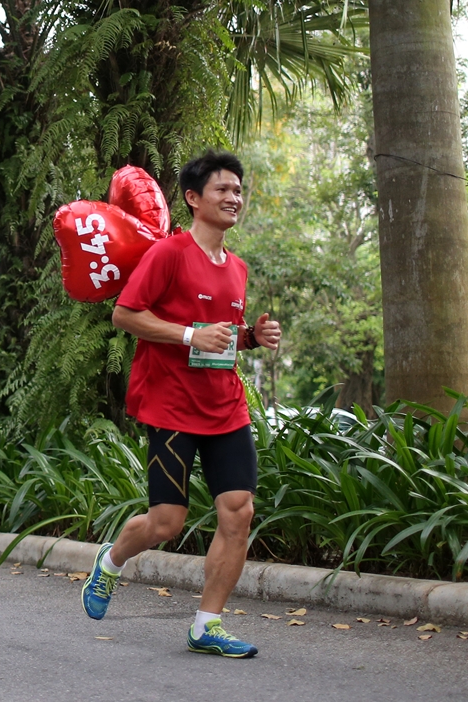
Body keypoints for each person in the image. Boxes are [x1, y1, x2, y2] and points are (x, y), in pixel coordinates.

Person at [81, 150, 281, 658]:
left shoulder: (237, 268)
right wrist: (191, 334)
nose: (234, 198)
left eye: (238, 190)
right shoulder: (169, 253)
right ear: (193, 199)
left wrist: (250, 337)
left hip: (225, 406)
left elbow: (222, 337)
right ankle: (111, 561)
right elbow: (126, 315)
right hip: (171, 405)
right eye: (223, 189)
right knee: (166, 522)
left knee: (239, 512)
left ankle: (206, 624)